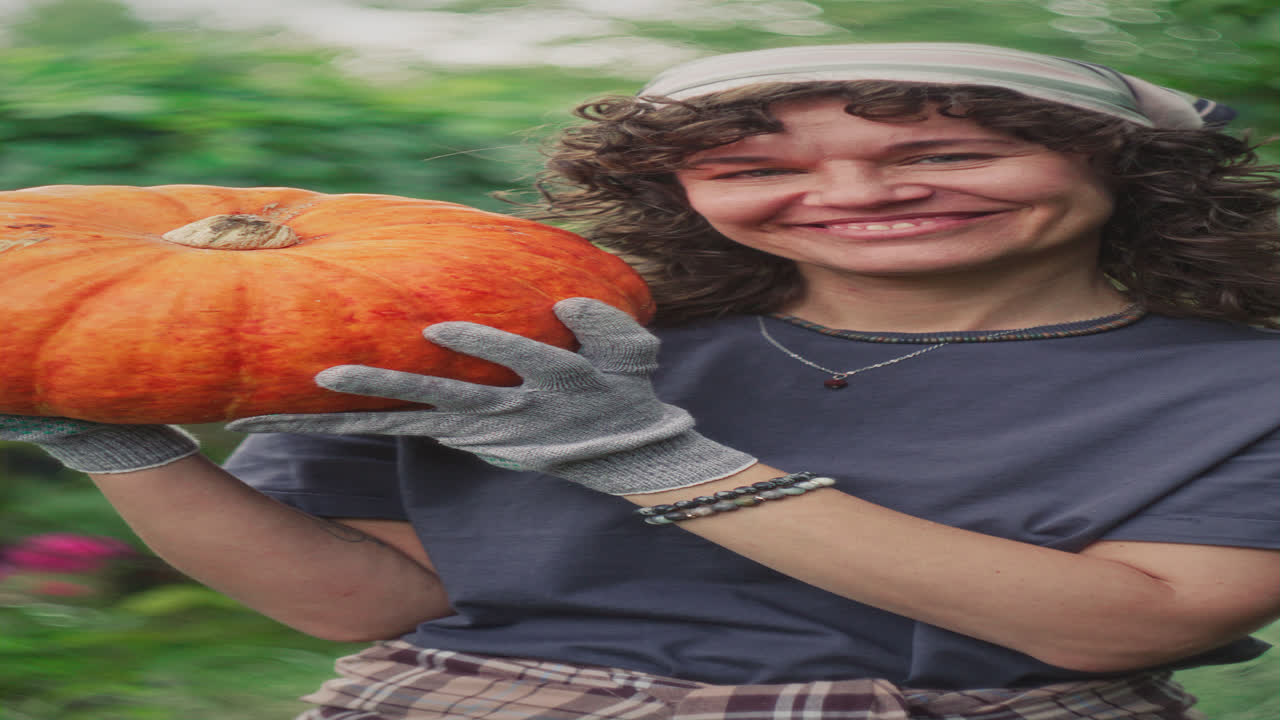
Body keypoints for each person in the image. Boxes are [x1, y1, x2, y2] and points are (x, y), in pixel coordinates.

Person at [4, 43, 1278, 719]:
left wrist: (649, 459)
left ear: (1133, 171)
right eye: (750, 167)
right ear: (676, 192)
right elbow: (360, 605)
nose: (851, 195)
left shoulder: (1241, 387)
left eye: (943, 149)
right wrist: (122, 446)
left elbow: (1119, 624)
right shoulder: (499, 335)